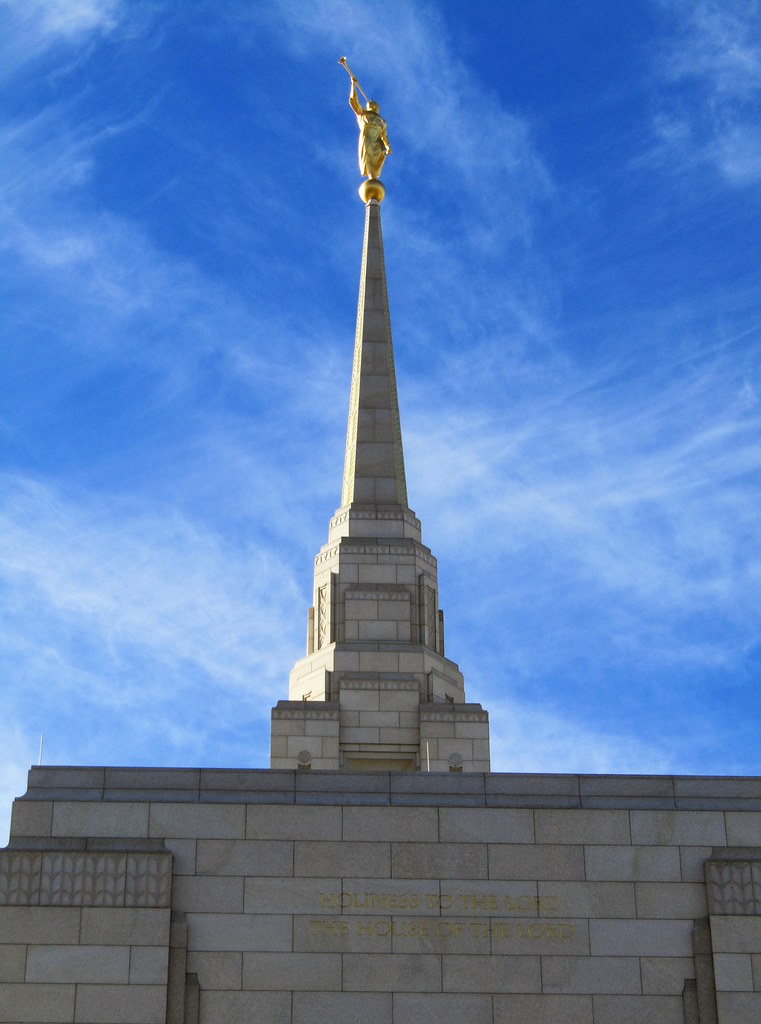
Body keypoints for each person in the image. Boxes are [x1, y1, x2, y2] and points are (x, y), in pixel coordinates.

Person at [349, 79, 391, 179]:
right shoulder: (363, 113)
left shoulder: (382, 121)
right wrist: (353, 86)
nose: (374, 106)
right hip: (367, 135)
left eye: (375, 105)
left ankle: (374, 175)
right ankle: (371, 176)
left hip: (377, 140)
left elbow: (384, 136)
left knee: (380, 155)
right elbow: (354, 102)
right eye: (372, 105)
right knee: (367, 155)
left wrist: (387, 146)